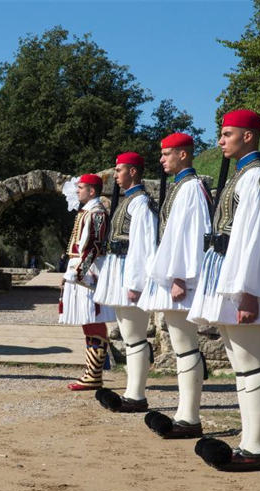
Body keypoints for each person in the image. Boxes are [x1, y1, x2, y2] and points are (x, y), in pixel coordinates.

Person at [188, 109, 260, 471]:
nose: (221, 140)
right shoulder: (241, 177)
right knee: (240, 364)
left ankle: (257, 447)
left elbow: (256, 239)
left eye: (228, 133)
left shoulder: (256, 178)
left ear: (248, 135)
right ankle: (249, 441)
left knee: (251, 363)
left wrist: (247, 291)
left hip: (244, 280)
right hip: (225, 273)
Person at [140, 133, 213, 437]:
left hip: (180, 278)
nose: (162, 159)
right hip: (174, 276)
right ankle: (185, 412)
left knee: (186, 347)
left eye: (167, 153)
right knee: (182, 347)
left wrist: (180, 276)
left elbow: (192, 234)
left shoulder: (190, 188)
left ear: (183, 155)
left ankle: (190, 416)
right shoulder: (180, 187)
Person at [93, 152, 157, 412]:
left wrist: (136, 283)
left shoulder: (140, 203)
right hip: (119, 268)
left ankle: (137, 395)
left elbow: (144, 246)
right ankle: (132, 391)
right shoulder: (129, 201)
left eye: (119, 170)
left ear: (132, 171)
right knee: (130, 337)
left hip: (129, 271)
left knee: (135, 337)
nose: (116, 176)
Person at [59, 174, 116, 391]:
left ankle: (94, 374)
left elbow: (93, 246)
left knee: (93, 319)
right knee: (88, 321)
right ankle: (91, 372)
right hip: (81, 270)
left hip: (89, 273)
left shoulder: (97, 212)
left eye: (81, 187)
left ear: (92, 191)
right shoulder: (88, 211)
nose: (77, 191)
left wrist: (79, 272)